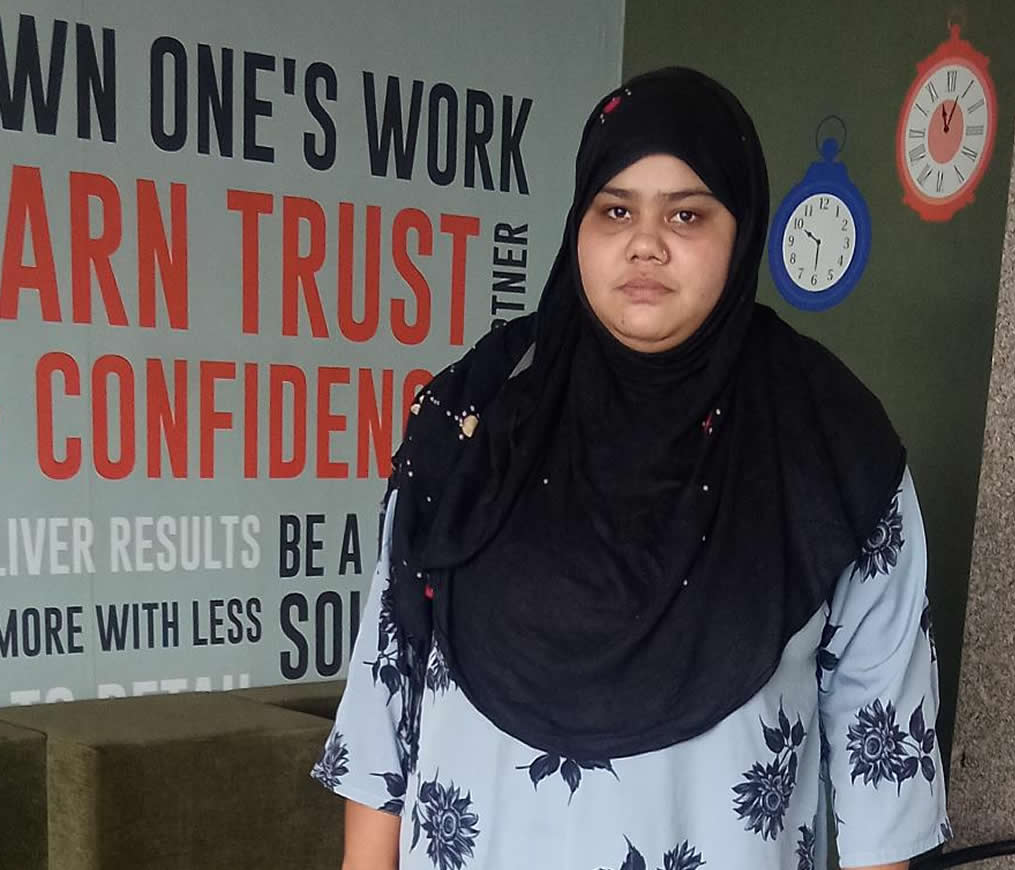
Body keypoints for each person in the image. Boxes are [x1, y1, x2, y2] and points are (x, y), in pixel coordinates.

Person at [311, 66, 951, 870]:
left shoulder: (829, 443)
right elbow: (390, 678)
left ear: (741, 226)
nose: (645, 243)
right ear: (578, 223)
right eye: (615, 210)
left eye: (687, 213)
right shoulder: (476, 411)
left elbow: (878, 758)